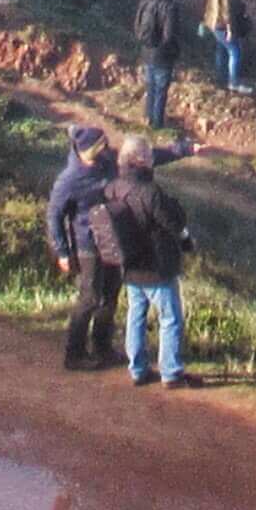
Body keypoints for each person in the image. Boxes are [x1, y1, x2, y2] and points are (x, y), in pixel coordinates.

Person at [105, 138, 190, 388]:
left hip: (130, 265)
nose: (153, 158)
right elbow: (174, 223)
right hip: (156, 267)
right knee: (170, 319)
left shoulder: (113, 188)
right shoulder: (151, 192)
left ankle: (138, 369)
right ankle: (171, 373)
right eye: (149, 154)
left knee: (135, 316)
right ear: (140, 160)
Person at [46, 125, 119, 371]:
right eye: (101, 146)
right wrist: (62, 251)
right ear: (89, 150)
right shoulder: (69, 180)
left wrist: (182, 150)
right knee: (89, 298)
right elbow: (54, 216)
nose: (106, 149)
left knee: (110, 294)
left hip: (111, 240)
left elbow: (142, 157)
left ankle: (102, 347)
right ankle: (74, 354)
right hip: (87, 243)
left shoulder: (107, 161)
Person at [131, 0, 183, 131]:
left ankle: (147, 116)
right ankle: (157, 123)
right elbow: (169, 35)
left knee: (151, 86)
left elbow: (137, 26)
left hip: (147, 52)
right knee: (161, 89)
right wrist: (173, 50)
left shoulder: (144, 2)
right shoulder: (170, 7)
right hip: (163, 55)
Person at [201, 0, 252, 94]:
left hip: (213, 21)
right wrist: (230, 29)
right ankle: (233, 82)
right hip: (222, 24)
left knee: (221, 49)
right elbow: (227, 9)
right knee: (235, 52)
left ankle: (220, 79)